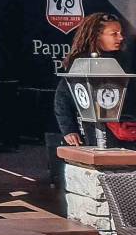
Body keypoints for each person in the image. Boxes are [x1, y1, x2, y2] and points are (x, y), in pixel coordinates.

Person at [55, 12, 136, 148]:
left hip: (129, 128)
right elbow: (62, 97)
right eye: (114, 33)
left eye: (120, 33)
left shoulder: (127, 59)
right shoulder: (82, 62)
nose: (121, 37)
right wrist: (69, 130)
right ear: (97, 36)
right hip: (99, 132)